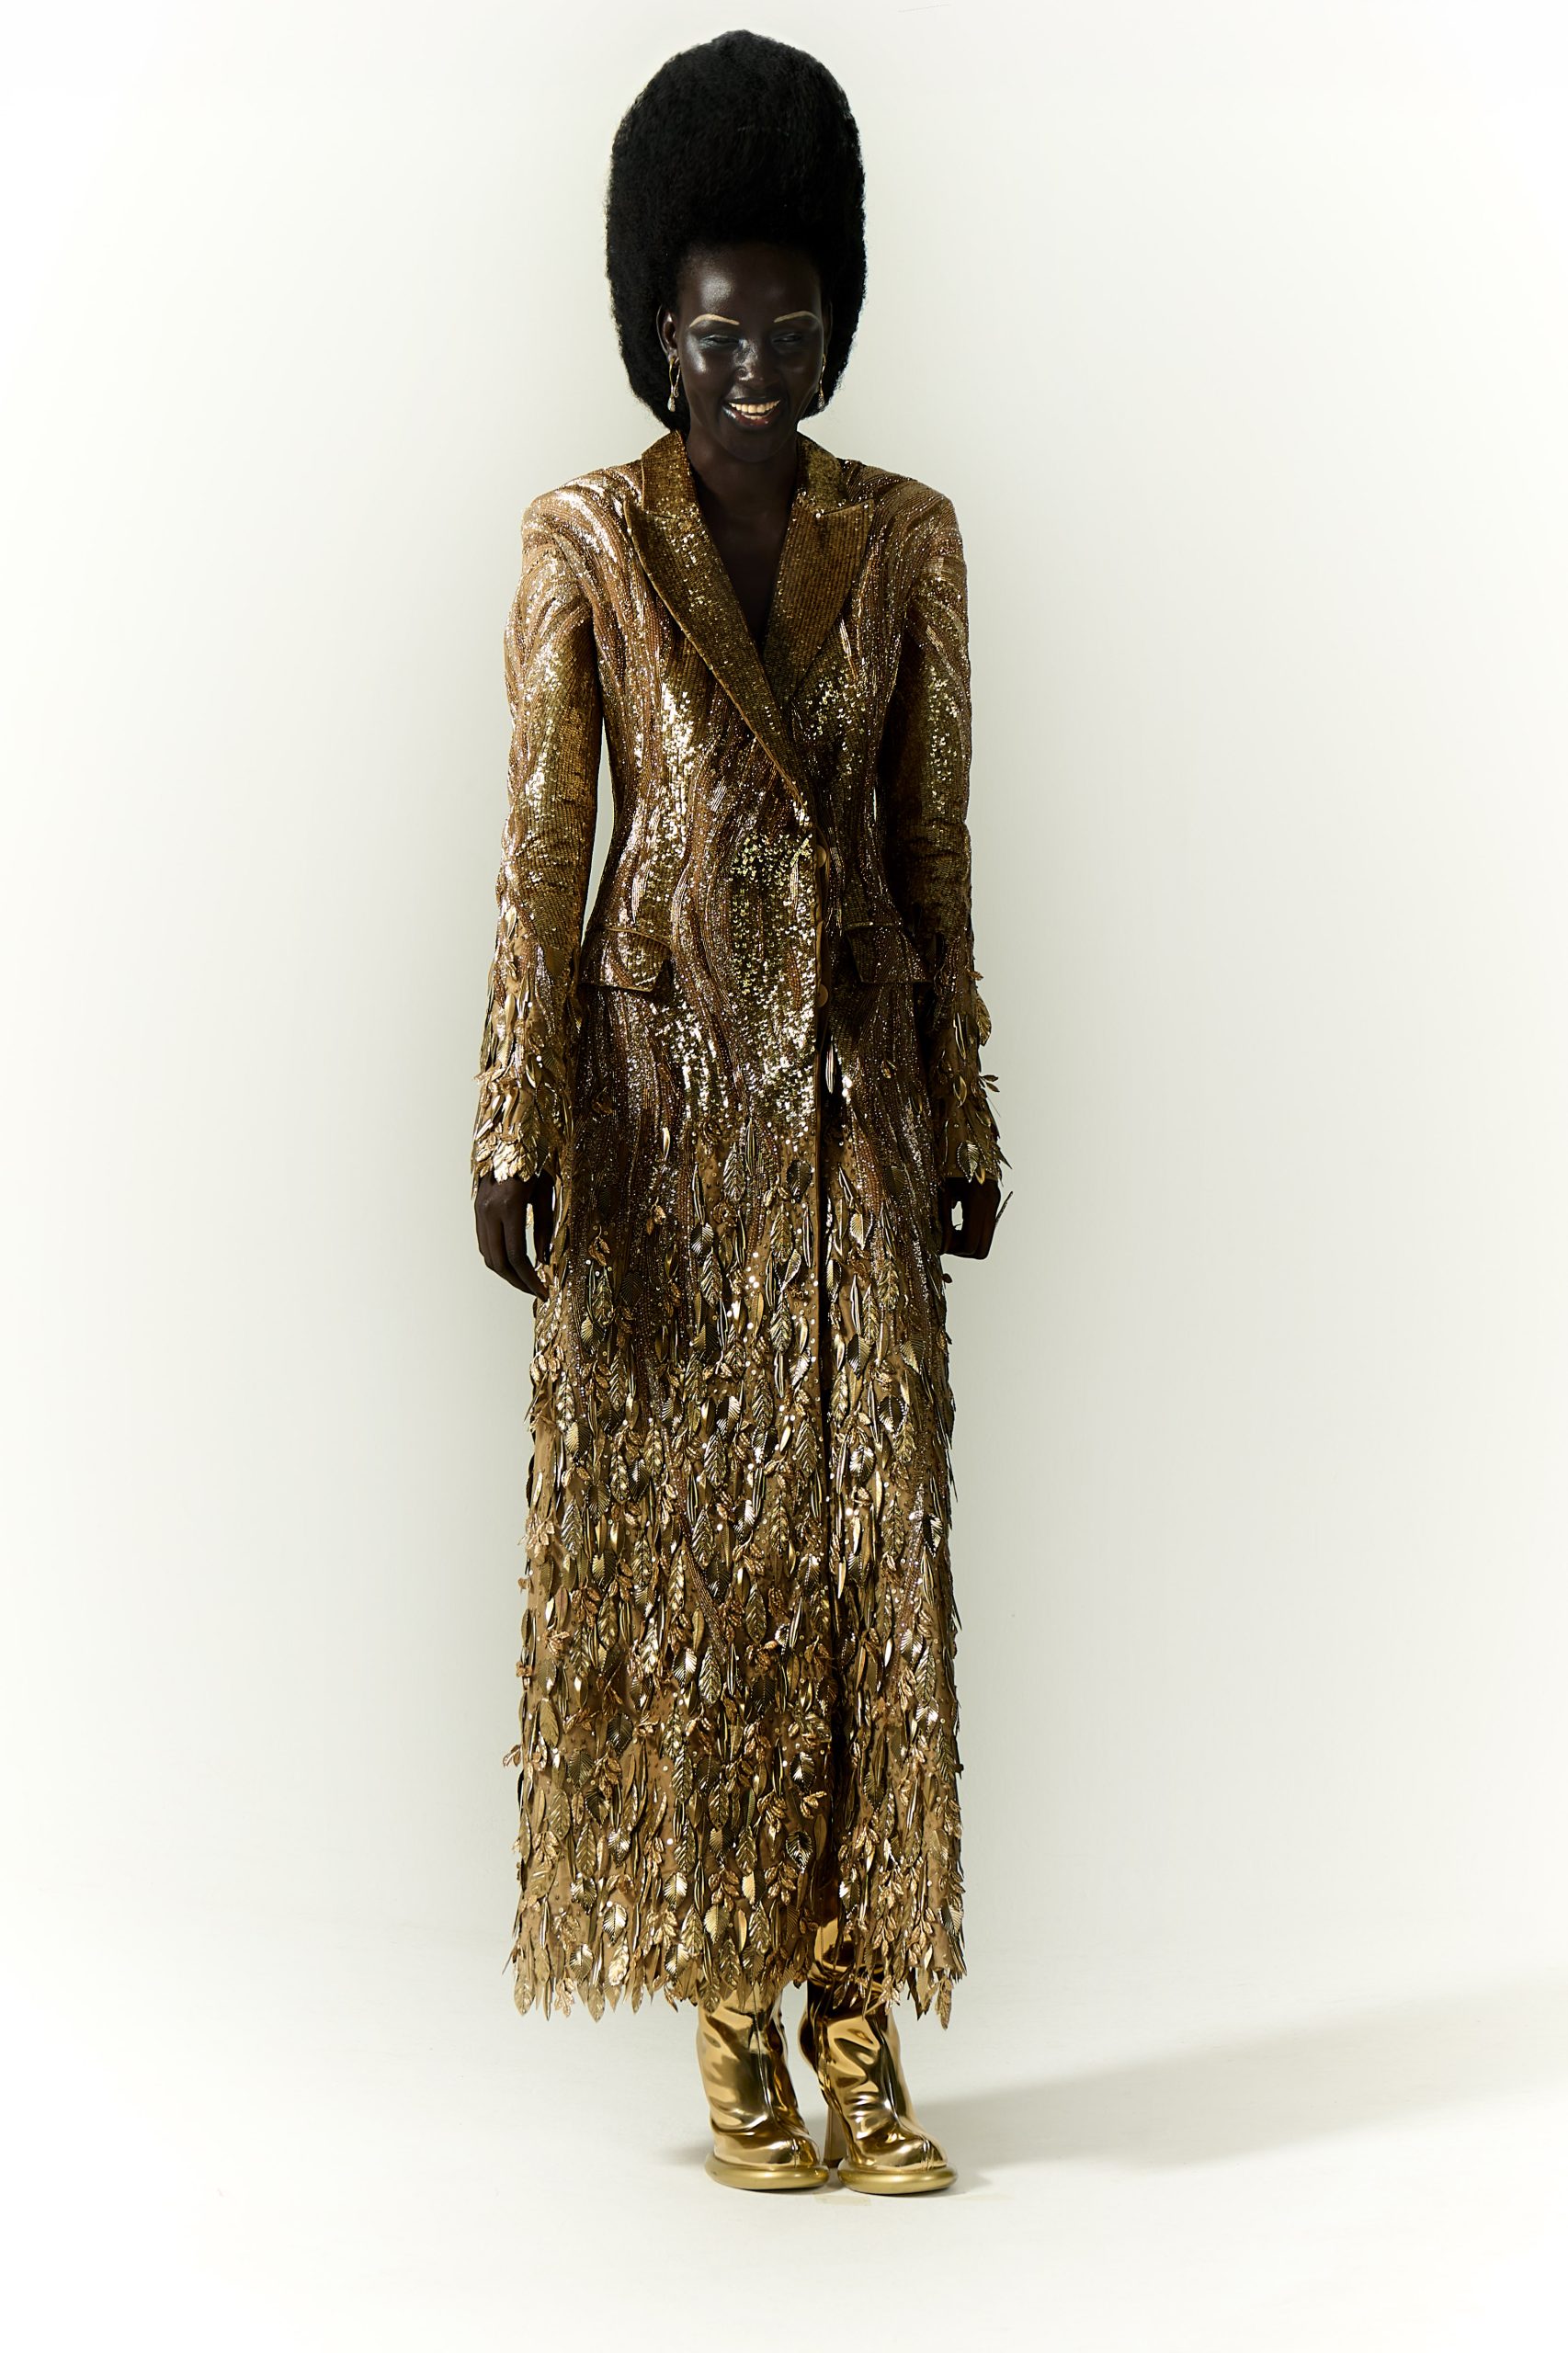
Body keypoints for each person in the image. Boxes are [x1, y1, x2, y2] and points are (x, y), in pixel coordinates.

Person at [472, 29, 1006, 2195]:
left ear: (834, 316)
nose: (754, 366)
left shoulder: (909, 540)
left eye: (789, 324)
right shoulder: (586, 540)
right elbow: (541, 850)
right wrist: (511, 1118)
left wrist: (963, 1110)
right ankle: (726, 2013)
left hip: (854, 1103)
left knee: (876, 1555)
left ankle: (859, 2020)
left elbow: (933, 843)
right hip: (658, 1112)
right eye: (713, 331)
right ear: (652, 333)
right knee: (698, 1565)